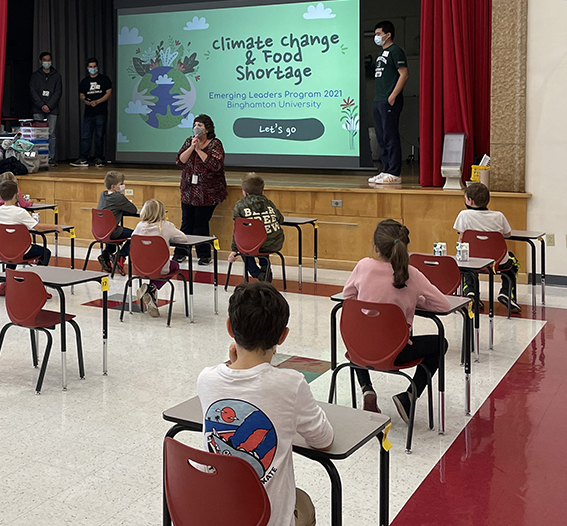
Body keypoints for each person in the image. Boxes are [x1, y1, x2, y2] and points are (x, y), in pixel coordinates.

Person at [197, 281, 333, 526]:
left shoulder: (206, 379)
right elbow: (324, 440)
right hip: (268, 520)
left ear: (230, 328)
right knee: (304, 506)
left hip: (217, 513)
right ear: (283, 336)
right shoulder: (291, 384)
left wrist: (232, 364)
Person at [342, 219, 451, 420]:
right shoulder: (412, 274)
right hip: (396, 352)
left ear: (376, 248)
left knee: (358, 338)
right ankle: (409, 395)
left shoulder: (363, 265)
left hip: (361, 349)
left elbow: (347, 297)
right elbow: (443, 305)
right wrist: (414, 301)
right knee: (440, 343)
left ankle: (367, 389)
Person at [454, 182, 520, 312]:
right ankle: (506, 293)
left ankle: (471, 292)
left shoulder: (464, 215)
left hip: (472, 259)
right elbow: (507, 234)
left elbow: (461, 238)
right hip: (497, 261)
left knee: (467, 265)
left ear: (470, 201)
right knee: (514, 264)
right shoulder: (499, 216)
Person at [175, 114, 226, 266]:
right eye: (195, 124)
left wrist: (199, 150)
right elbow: (180, 161)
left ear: (207, 128)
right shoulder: (189, 141)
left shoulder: (215, 144)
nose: (197, 127)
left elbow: (215, 165)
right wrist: (192, 147)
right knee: (186, 222)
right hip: (189, 191)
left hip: (208, 192)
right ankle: (181, 252)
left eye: (201, 125)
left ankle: (204, 255)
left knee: (200, 224)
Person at [0, 180, 62, 295]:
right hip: (22, 250)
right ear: (16, 196)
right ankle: (36, 284)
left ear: (0, 196)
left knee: (12, 253)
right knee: (45, 253)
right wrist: (55, 226)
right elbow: (37, 227)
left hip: (4, 250)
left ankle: (5, 282)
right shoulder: (20, 212)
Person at [131, 199, 188, 318]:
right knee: (174, 265)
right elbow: (183, 238)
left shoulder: (139, 226)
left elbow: (133, 238)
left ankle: (149, 291)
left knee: (156, 268)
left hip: (140, 267)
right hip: (160, 267)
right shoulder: (165, 226)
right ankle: (151, 289)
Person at [227, 173, 285, 283]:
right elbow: (280, 219)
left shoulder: (240, 205)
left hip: (253, 244)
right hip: (274, 243)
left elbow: (238, 230)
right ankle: (266, 269)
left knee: (246, 249)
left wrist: (234, 249)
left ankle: (257, 274)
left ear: (245, 192)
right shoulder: (269, 203)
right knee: (264, 239)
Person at [369, 20, 408, 185]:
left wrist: (392, 96)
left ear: (388, 34)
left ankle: (394, 172)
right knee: (382, 136)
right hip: (378, 100)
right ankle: (385, 169)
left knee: (390, 135)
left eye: (378, 34)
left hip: (389, 100)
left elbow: (404, 74)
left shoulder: (395, 51)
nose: (376, 37)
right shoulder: (380, 54)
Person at [72, 58, 113, 168]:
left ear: (97, 67)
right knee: (86, 136)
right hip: (88, 113)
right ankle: (83, 158)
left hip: (100, 111)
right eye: (90, 67)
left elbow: (108, 93)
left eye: (94, 66)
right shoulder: (84, 81)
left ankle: (99, 158)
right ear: (87, 68)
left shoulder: (104, 79)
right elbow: (81, 94)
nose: (92, 69)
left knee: (99, 136)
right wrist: (85, 100)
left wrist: (98, 101)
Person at [97, 170, 137, 274]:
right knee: (136, 235)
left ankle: (106, 255)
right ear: (114, 187)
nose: (124, 186)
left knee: (114, 230)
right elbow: (133, 209)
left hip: (99, 231)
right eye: (121, 184)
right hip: (112, 231)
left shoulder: (103, 194)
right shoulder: (118, 197)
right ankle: (120, 256)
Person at [30, 52, 62, 166]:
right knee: (38, 134)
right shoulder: (35, 76)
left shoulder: (57, 75)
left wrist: (49, 106)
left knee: (51, 134)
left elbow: (58, 92)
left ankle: (51, 158)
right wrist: (41, 105)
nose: (47, 62)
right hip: (38, 109)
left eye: (49, 60)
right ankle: (39, 158)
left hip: (52, 110)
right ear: (40, 61)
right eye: (44, 60)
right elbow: (32, 92)